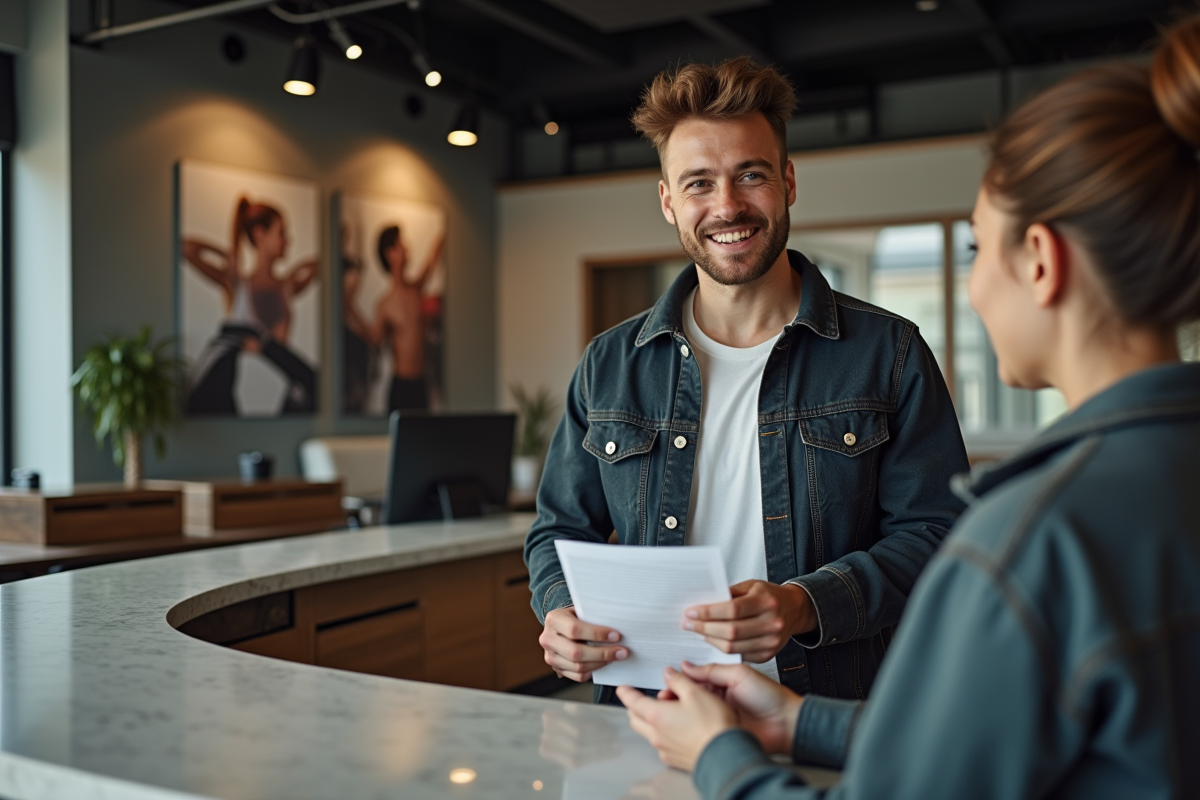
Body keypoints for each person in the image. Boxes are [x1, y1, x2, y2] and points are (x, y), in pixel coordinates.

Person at [618, 16, 1200, 800]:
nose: (974, 287)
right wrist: (800, 723)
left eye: (976, 248)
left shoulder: (1025, 540)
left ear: (1039, 261)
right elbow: (1008, 739)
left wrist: (722, 755)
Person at [524, 57, 969, 706]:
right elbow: (558, 531)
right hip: (651, 715)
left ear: (787, 181)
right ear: (668, 201)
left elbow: (937, 535)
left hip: (829, 718)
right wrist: (560, 609)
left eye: (751, 175)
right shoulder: (608, 364)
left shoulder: (889, 352)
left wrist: (803, 604)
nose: (727, 205)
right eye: (699, 184)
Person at [183, 197, 318, 414]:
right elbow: (187, 248)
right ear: (259, 234)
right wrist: (225, 253)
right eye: (281, 233)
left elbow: (319, 265)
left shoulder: (287, 287)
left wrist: (293, 272)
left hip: (274, 377)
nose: (288, 240)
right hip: (244, 381)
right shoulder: (237, 284)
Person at [361, 224, 445, 412]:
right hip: (401, 387)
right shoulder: (385, 305)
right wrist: (350, 309)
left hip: (421, 384)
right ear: (390, 254)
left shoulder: (415, 290)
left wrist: (444, 236)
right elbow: (375, 340)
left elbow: (431, 263)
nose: (407, 249)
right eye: (400, 245)